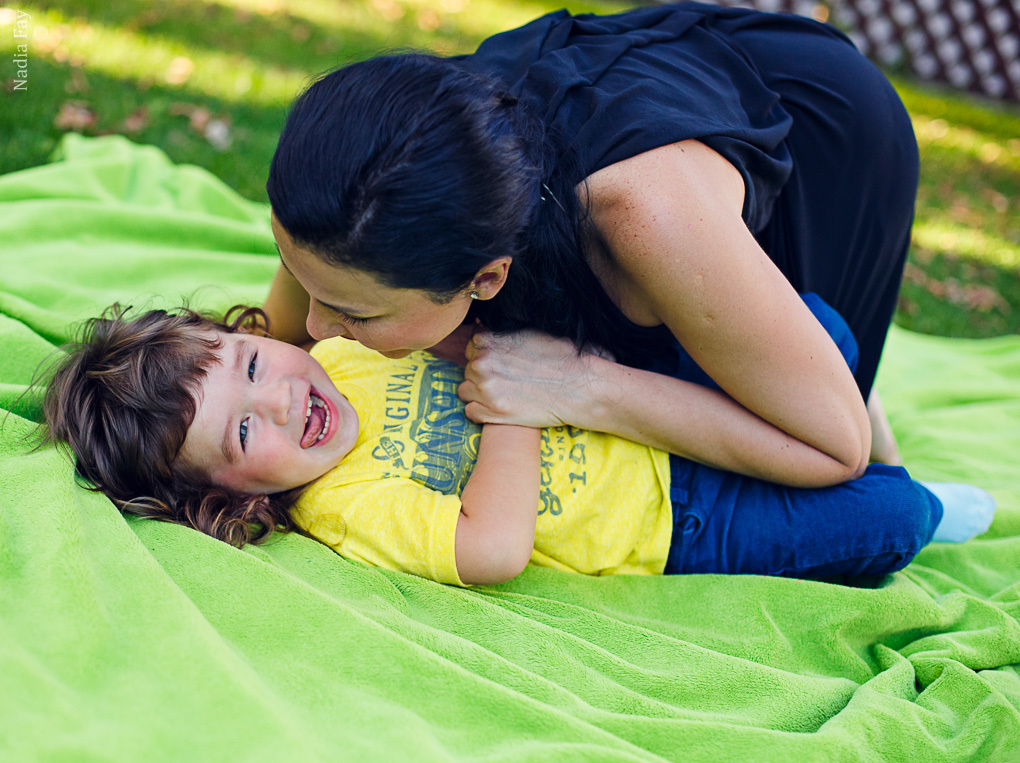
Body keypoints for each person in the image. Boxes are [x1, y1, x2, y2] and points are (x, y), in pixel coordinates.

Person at [264, 2, 920, 491]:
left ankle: (791, 344)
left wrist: (583, 386)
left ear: (486, 279)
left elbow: (835, 448)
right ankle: (765, 332)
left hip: (825, 120)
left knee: (825, 400)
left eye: (357, 313)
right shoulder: (358, 191)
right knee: (747, 340)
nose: (319, 327)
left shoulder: (643, 217)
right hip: (647, 85)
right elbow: (286, 332)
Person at [40, 302, 994, 587]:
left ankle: (849, 429)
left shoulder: (336, 351)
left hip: (654, 405)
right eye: (244, 430)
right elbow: (489, 549)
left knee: (823, 331)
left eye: (253, 363)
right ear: (232, 498)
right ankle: (901, 482)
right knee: (894, 521)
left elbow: (457, 327)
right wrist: (514, 411)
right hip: (680, 519)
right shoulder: (339, 502)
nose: (283, 400)